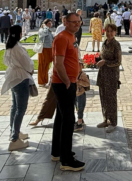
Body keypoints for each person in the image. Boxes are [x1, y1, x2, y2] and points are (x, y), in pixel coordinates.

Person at [51, 13, 85, 171]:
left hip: (69, 81)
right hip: (64, 83)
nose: (77, 25)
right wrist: (66, 82)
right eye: (73, 22)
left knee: (61, 117)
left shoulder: (71, 37)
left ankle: (57, 152)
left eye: (79, 22)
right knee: (68, 120)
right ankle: (67, 160)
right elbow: (58, 64)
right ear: (65, 22)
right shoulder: (62, 38)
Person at [1, 25, 32, 151]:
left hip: (13, 76)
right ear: (20, 34)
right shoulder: (18, 48)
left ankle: (14, 131)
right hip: (20, 78)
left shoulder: (9, 46)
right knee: (21, 108)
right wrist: (31, 69)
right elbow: (27, 64)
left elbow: (6, 61)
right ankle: (15, 139)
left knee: (15, 106)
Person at [96, 24, 122, 133]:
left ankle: (113, 122)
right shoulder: (104, 42)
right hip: (102, 74)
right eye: (107, 31)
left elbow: (118, 62)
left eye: (112, 31)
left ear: (115, 32)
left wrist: (105, 62)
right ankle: (105, 119)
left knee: (111, 99)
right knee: (103, 97)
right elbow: (102, 56)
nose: (109, 33)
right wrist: (98, 60)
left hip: (111, 75)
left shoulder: (116, 45)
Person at [36, 19, 54, 88]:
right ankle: (41, 81)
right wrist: (45, 27)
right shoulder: (42, 30)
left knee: (47, 65)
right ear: (45, 24)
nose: (50, 25)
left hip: (49, 49)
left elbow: (51, 38)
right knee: (42, 65)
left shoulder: (49, 30)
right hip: (43, 49)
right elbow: (44, 33)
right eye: (49, 23)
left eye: (50, 23)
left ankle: (45, 80)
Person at [75, 61, 90, 131]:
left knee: (80, 108)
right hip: (75, 94)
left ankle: (79, 124)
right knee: (77, 108)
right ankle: (80, 119)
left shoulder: (82, 74)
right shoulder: (74, 73)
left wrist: (79, 81)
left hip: (81, 94)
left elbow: (87, 84)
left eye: (79, 66)